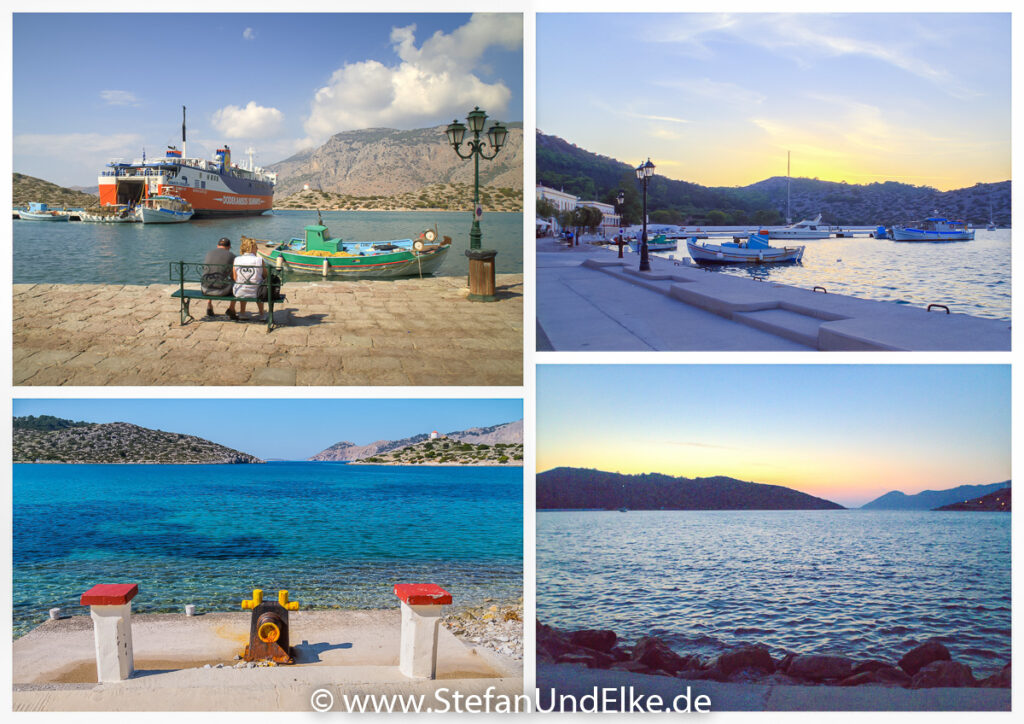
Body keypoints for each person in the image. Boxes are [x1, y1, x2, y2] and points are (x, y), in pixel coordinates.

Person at [201, 237, 237, 319]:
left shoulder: (208, 253)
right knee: (237, 283)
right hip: (220, 290)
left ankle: (209, 305)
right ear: (229, 247)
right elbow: (233, 277)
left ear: (218, 246)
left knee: (211, 277)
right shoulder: (232, 256)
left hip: (205, 289)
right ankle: (231, 309)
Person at [233, 237, 266, 320]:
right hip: (257, 292)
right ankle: (262, 313)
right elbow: (265, 276)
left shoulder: (237, 259)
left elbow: (235, 277)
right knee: (259, 285)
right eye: (256, 247)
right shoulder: (259, 260)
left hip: (239, 291)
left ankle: (242, 312)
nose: (257, 249)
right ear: (252, 248)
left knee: (242, 284)